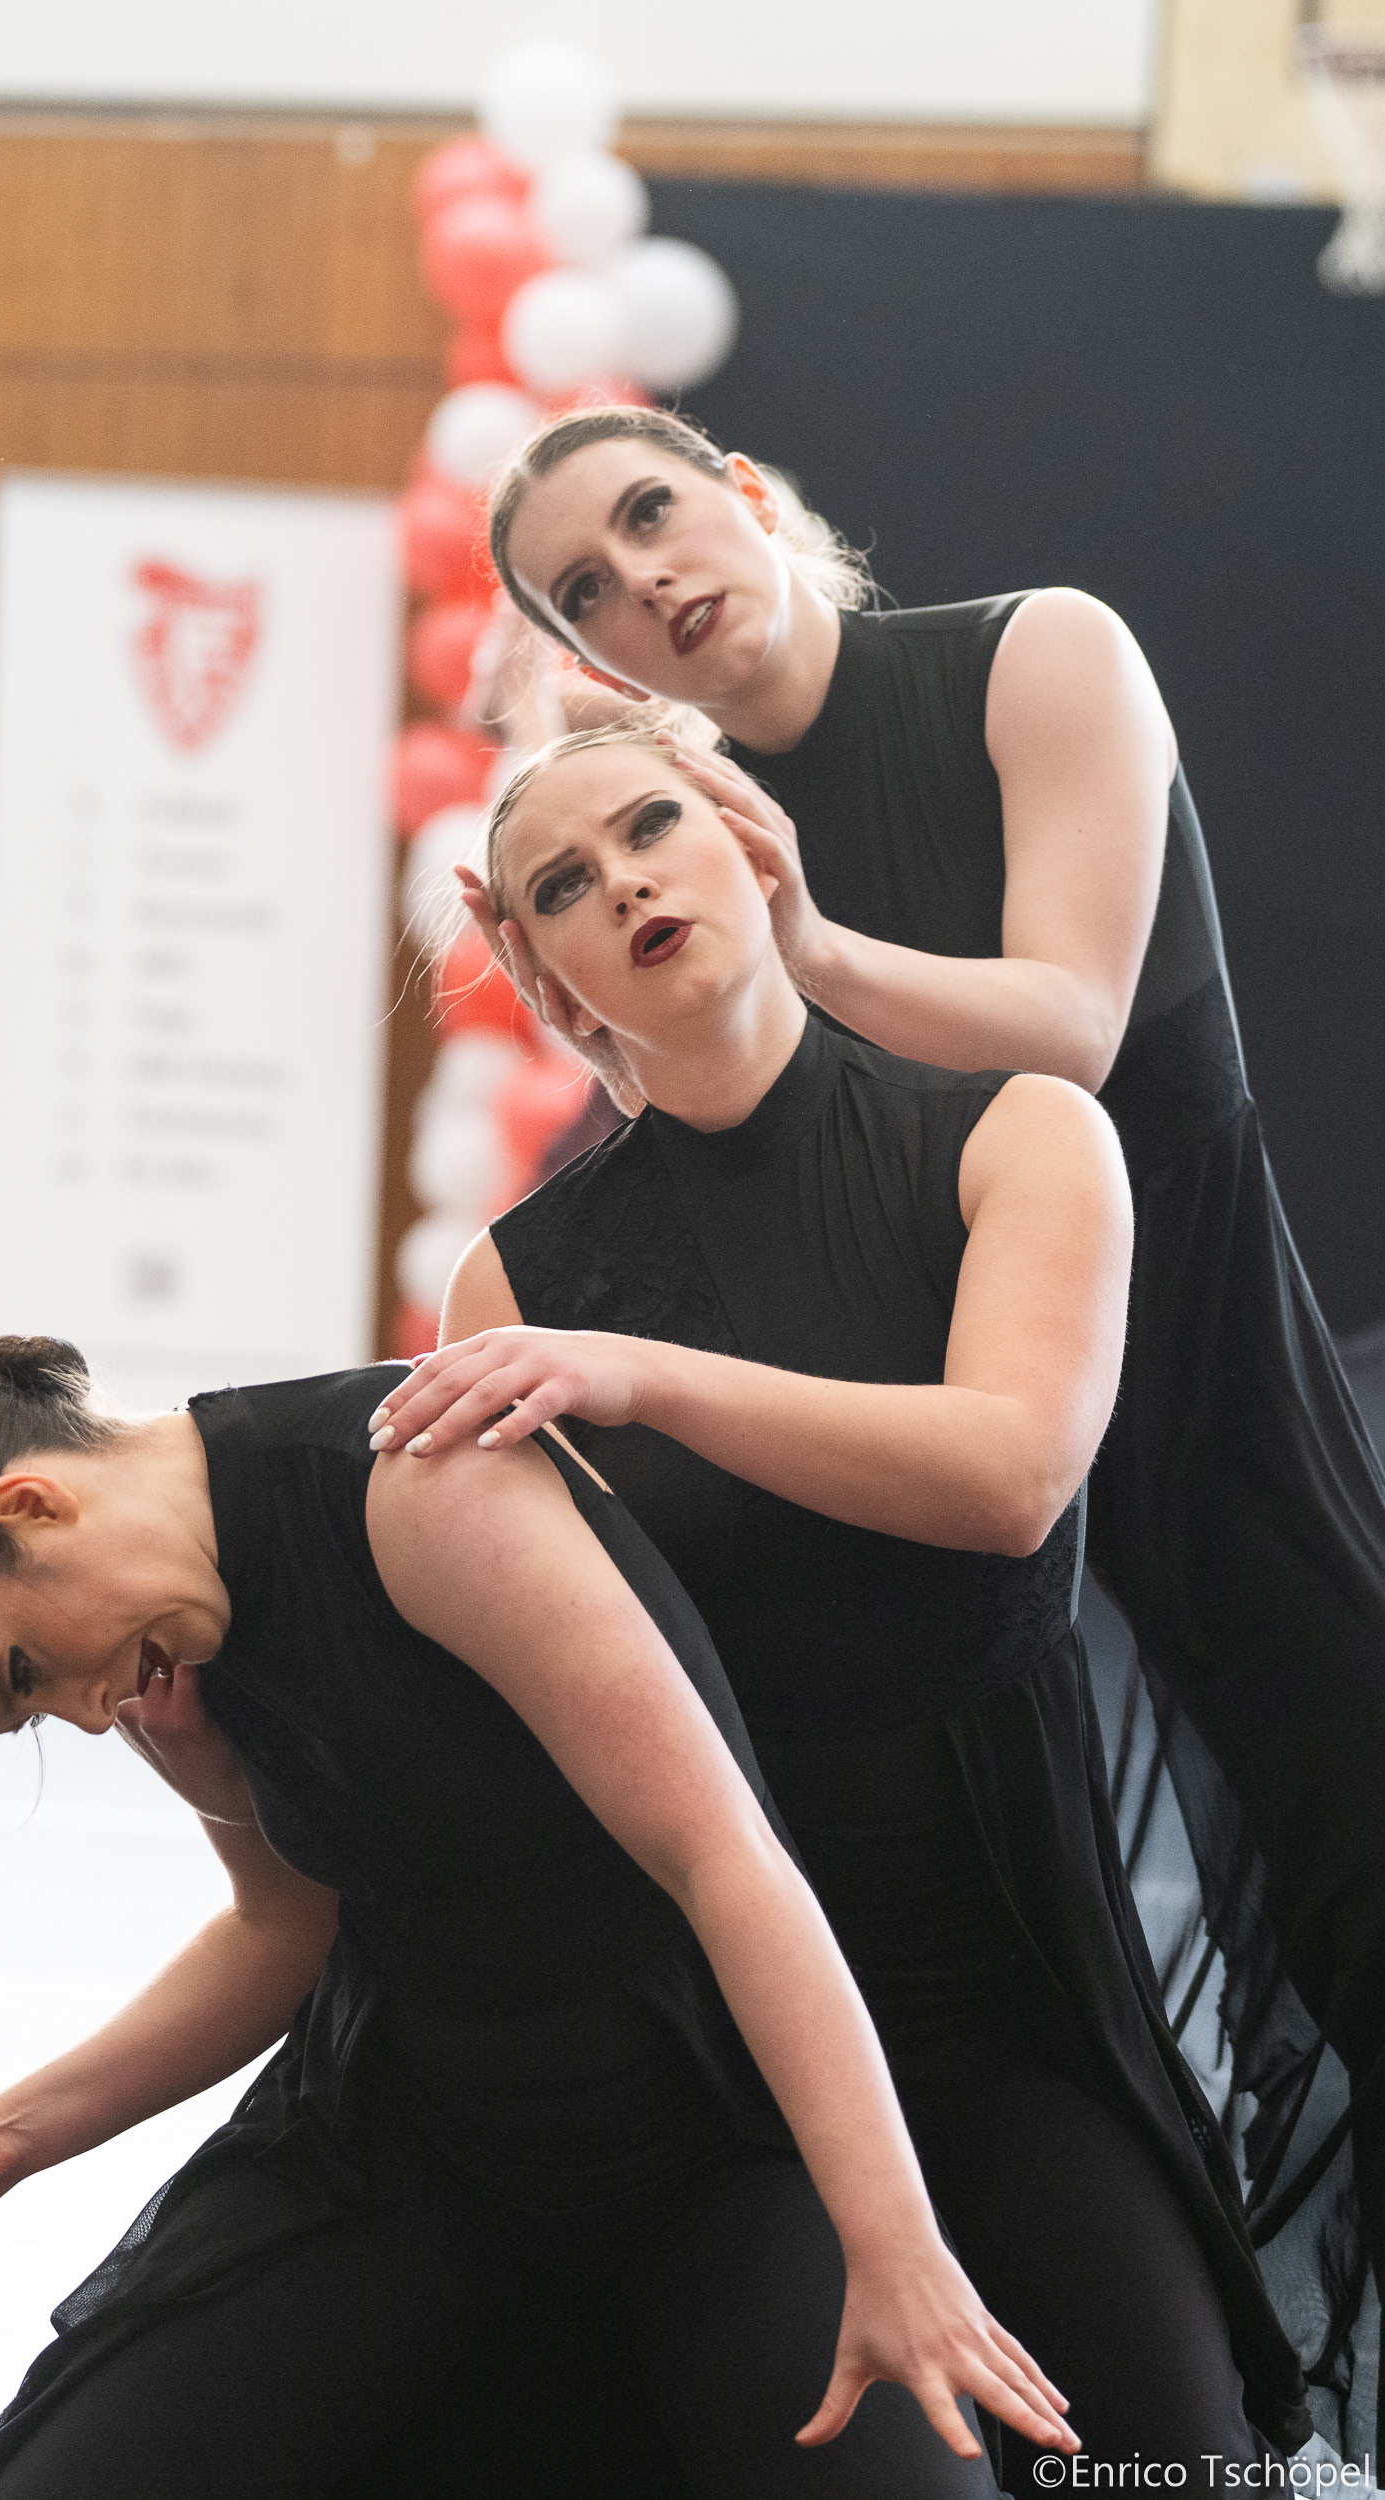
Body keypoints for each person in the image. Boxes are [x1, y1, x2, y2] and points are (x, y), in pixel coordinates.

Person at [469, 401, 1385, 2451]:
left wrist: (800, 945)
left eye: (651, 514)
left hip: (1185, 1386)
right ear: (582, 654)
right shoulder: (678, 833)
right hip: (932, 1434)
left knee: (1343, 1848)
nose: (643, 582)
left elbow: (1067, 1026)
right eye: (585, 591)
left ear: (745, 494)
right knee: (1022, 1949)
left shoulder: (1035, 655)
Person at [369, 724, 1313, 2491]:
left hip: (1001, 1973)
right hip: (705, 2030)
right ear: (545, 977)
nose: (623, 883)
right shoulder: (513, 1282)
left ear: (750, 844)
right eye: (562, 885)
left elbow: (1007, 1478)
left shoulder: (1020, 1133)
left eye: (649, 827)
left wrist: (647, 1376)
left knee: (1173, 2458)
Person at [0, 1335, 1073, 2499]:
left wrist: (889, 2241)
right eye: (31, 1714)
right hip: (418, 2143)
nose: (84, 1715)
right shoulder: (155, 1650)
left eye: (25, 1671)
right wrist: (4, 2133)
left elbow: (724, 1859)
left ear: (33, 1504)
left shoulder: (413, 1487)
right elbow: (278, 1932)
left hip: (705, 2136)